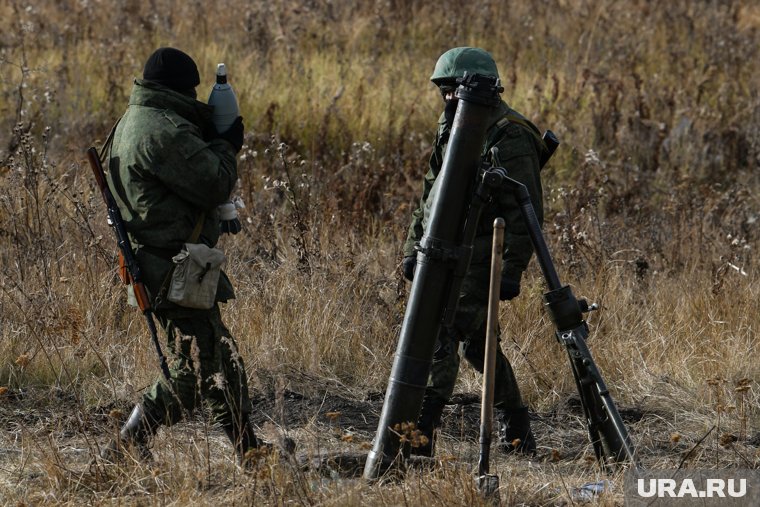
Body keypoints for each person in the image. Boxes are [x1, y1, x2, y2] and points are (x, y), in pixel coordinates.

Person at [100, 47, 261, 465]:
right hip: (172, 268)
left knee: (217, 358)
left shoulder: (132, 121)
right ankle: (125, 446)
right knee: (191, 374)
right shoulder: (163, 131)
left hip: (158, 262)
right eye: (191, 92)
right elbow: (215, 183)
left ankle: (251, 452)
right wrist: (226, 145)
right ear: (180, 90)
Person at [402, 47, 548, 457]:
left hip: (483, 252)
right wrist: (412, 247)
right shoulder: (453, 123)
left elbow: (527, 212)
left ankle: (421, 433)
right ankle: (516, 424)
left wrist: (511, 271)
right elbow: (430, 193)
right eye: (444, 91)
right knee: (478, 345)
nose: (448, 98)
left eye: (455, 89)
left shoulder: (511, 133)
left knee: (441, 333)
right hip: (442, 249)